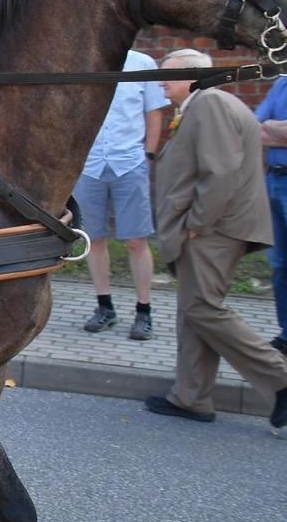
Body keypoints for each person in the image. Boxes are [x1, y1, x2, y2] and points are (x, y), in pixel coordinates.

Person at [144, 48, 287, 430]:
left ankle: (280, 378)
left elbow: (219, 172)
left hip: (215, 229)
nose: (161, 84)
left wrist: (196, 224)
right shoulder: (206, 103)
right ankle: (190, 398)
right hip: (214, 228)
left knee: (204, 308)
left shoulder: (210, 104)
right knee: (193, 311)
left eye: (168, 77)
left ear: (191, 76)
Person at [75, 49, 169, 340]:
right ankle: (105, 307)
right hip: (88, 164)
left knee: (136, 240)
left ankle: (144, 311)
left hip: (129, 161)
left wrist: (148, 155)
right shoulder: (82, 60)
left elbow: (154, 112)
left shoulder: (143, 64)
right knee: (94, 239)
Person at [254, 74, 287, 357]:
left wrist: (270, 128)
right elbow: (254, 129)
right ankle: (286, 334)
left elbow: (265, 128)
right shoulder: (281, 84)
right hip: (274, 181)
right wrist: (279, 130)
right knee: (279, 264)